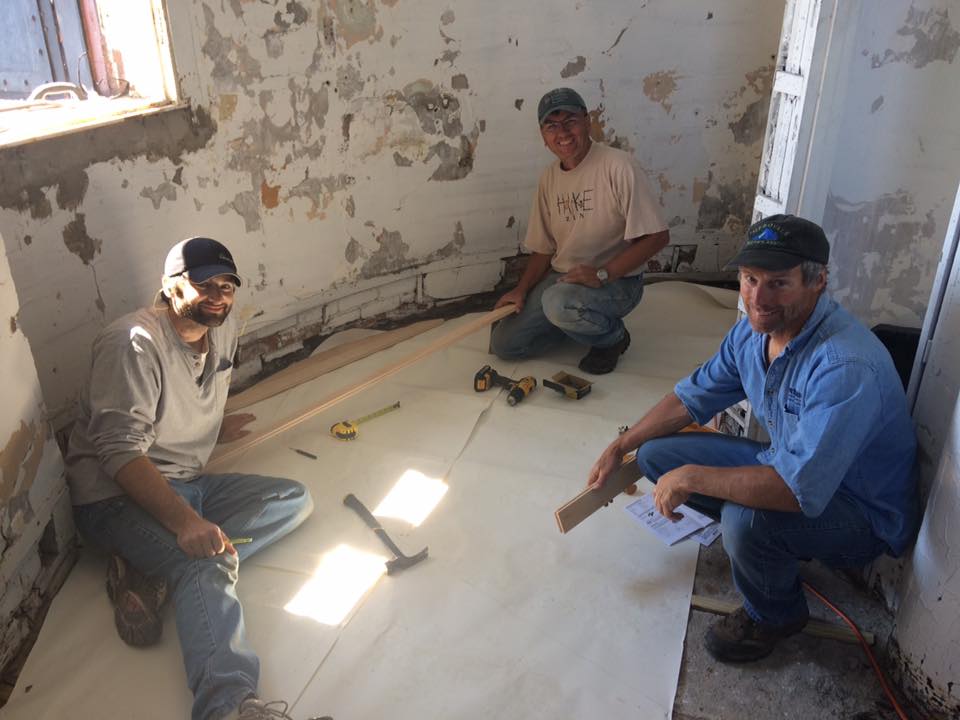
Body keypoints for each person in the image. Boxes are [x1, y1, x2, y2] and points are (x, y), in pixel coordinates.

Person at [587, 215, 919, 662]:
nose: (757, 299)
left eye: (778, 284)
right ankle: (776, 551)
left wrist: (694, 478)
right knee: (656, 456)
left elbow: (796, 490)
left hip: (859, 511)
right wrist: (620, 444)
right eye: (749, 279)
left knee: (745, 521)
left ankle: (776, 613)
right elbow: (690, 398)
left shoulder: (845, 366)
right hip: (791, 468)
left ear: (818, 281)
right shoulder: (752, 332)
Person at [66, 237, 326, 720]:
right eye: (204, 283)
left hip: (186, 478)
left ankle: (154, 576)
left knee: (292, 499)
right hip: (114, 496)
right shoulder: (133, 343)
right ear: (168, 287)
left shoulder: (222, 330)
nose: (219, 294)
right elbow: (119, 453)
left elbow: (185, 396)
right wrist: (186, 524)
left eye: (227, 285)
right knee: (203, 562)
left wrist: (210, 427)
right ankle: (228, 706)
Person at [490, 87, 670, 375]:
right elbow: (544, 248)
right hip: (564, 281)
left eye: (570, 121)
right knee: (505, 344)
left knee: (557, 303)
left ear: (588, 121)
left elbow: (658, 237)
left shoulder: (618, 165)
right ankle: (571, 321)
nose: (562, 133)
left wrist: (603, 274)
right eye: (552, 126)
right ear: (543, 135)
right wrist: (521, 290)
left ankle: (612, 338)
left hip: (617, 281)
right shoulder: (549, 178)